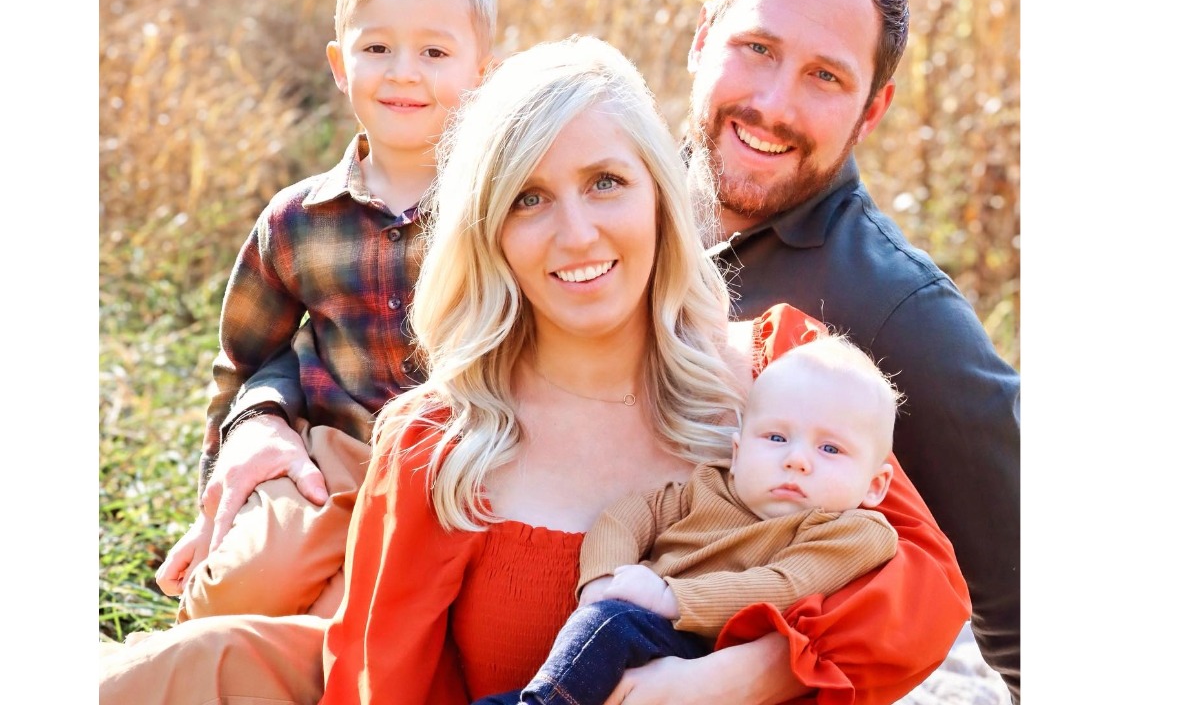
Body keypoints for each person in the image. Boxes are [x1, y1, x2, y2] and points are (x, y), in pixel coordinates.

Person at [100, 36, 969, 705]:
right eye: (528, 198)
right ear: (488, 234)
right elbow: (384, 680)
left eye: (605, 182)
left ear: (661, 199)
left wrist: (738, 677)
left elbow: (924, 591)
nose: (576, 235)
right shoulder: (438, 443)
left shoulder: (786, 371)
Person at [681, 0, 1022, 701]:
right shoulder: (608, 205)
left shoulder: (901, 311)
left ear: (873, 111)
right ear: (703, 40)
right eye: (758, 48)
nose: (773, 104)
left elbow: (1028, 610)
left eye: (825, 76)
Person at [151, 0, 497, 621]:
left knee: (372, 617)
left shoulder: (501, 210)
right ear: (341, 65)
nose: (403, 72)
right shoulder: (296, 221)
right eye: (377, 49)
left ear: (482, 73)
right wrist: (218, 496)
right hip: (332, 457)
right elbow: (243, 363)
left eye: (434, 52)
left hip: (464, 466)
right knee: (235, 594)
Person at [474, 333, 902, 705]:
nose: (797, 461)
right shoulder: (709, 487)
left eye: (830, 449)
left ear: (875, 486)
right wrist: (602, 580)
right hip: (642, 636)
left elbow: (783, 585)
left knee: (611, 626)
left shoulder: (853, 532)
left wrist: (672, 597)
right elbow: (628, 516)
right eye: (776, 437)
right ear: (737, 453)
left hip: (708, 656)